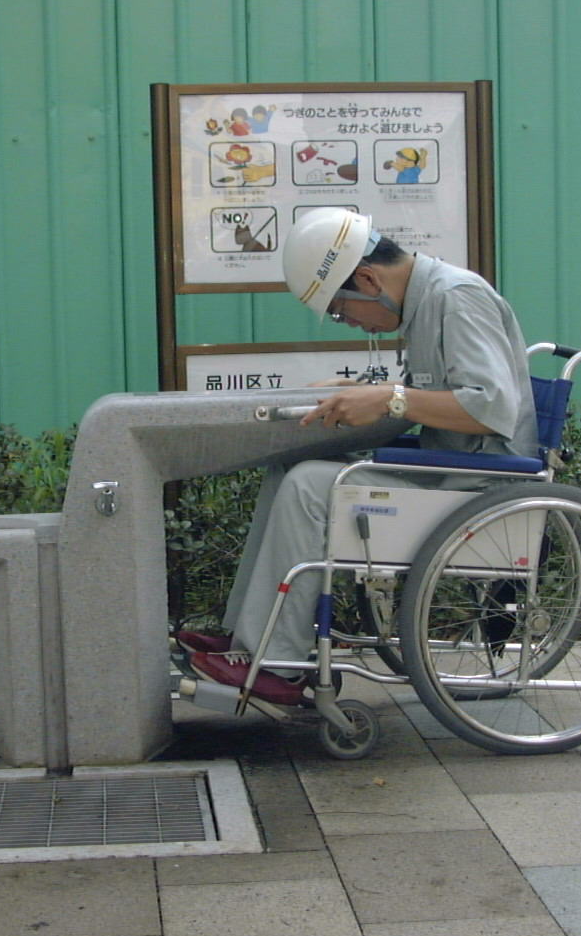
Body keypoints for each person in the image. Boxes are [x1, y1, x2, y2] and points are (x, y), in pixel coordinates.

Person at [179, 208, 538, 705]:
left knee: (308, 482)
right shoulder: (428, 301)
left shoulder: (456, 298)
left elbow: (491, 408)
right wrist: (370, 389)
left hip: (479, 484)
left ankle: (278, 662)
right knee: (287, 468)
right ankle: (247, 637)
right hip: (450, 472)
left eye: (341, 310)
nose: (346, 322)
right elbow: (438, 391)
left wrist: (391, 399)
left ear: (368, 279)